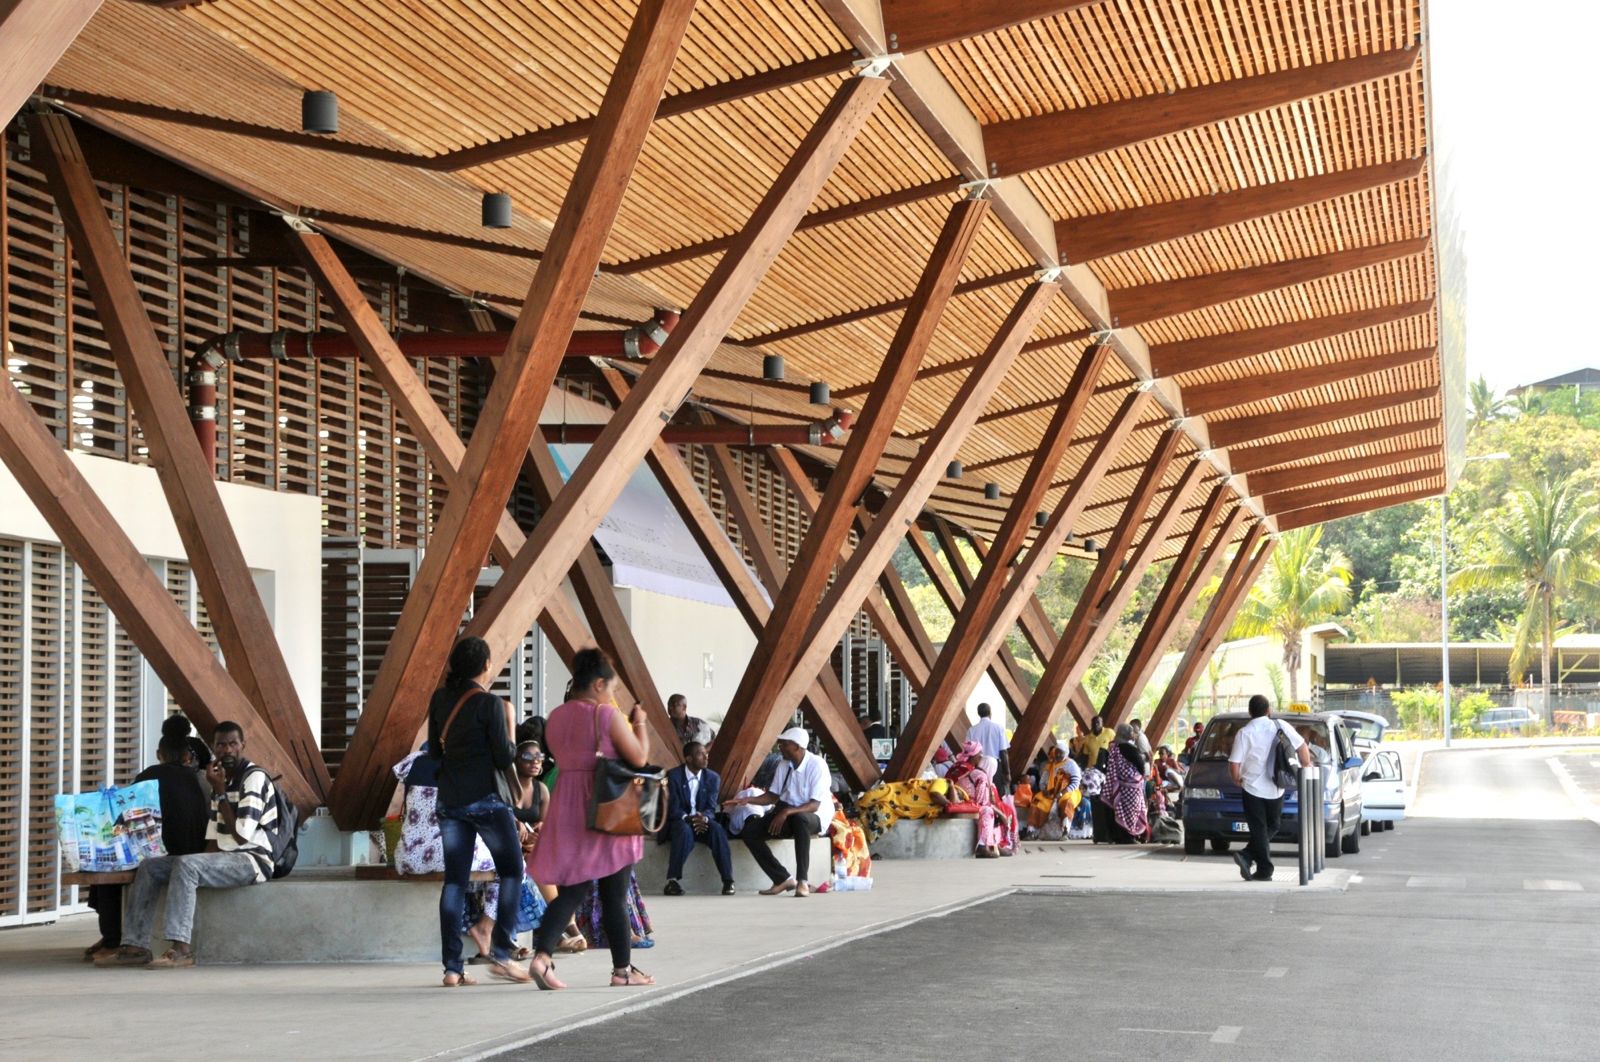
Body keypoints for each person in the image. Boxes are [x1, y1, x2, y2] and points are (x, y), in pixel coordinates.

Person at [97, 721, 280, 969]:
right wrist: (201, 863)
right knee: (151, 867)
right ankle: (135, 945)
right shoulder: (222, 778)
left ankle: (181, 948)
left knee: (187, 864)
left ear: (243, 746)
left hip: (252, 860)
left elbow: (241, 836)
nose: (227, 750)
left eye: (232, 744)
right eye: (221, 745)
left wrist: (221, 792)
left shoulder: (253, 778)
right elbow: (214, 837)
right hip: (225, 858)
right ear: (214, 748)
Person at [527, 648, 654, 989]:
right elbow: (640, 758)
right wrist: (639, 721)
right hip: (604, 804)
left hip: (566, 803)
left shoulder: (556, 716)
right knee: (615, 890)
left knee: (572, 888)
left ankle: (541, 956)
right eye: (611, 688)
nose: (612, 696)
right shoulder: (606, 715)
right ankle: (622, 972)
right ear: (599, 684)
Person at [426, 636, 529, 987]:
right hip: (485, 800)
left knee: (454, 881)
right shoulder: (489, 705)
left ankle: (452, 968)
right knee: (513, 871)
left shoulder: (440, 699)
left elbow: (435, 755)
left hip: (450, 801)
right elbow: (504, 756)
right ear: (486, 666)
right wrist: (510, 729)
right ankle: (502, 953)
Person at [84, 716, 209, 962]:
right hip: (194, 850)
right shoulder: (201, 780)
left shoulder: (148, 776)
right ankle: (113, 939)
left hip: (159, 853)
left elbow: (124, 818)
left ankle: (111, 939)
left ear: (158, 753)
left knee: (106, 865)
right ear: (187, 757)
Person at [724, 727, 834, 896]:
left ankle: (802, 881)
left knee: (800, 820)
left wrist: (786, 812)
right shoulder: (784, 765)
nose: (779, 747)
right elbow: (772, 796)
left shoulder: (817, 765)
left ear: (797, 747)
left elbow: (814, 805)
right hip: (789, 815)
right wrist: (746, 800)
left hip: (814, 817)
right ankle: (782, 878)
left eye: (784, 744)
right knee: (750, 832)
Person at [1228, 694, 1311, 883]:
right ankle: (1258, 864)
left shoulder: (1244, 733)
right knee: (1273, 825)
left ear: (1250, 712)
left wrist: (1236, 779)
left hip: (1251, 787)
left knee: (1259, 827)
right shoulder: (1280, 725)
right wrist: (1306, 768)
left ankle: (1251, 859)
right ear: (1268, 711)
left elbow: (1234, 763)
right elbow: (1301, 747)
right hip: (1277, 786)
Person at [662, 740, 734, 895]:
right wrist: (688, 818)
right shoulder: (673, 776)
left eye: (706, 754)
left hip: (703, 821)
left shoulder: (713, 777)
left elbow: (710, 807)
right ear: (688, 758)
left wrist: (705, 818)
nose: (706, 757)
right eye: (701, 754)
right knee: (684, 831)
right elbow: (672, 808)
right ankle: (672, 881)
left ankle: (728, 881)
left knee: (717, 830)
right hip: (681, 822)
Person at [945, 741, 1016, 857]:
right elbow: (982, 802)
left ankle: (994, 845)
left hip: (953, 800)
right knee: (989, 811)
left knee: (994, 810)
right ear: (975, 756)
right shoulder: (979, 775)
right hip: (963, 804)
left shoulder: (956, 767)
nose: (981, 756)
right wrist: (999, 813)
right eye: (980, 754)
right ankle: (984, 846)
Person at [1101, 723, 1149, 844]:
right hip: (1131, 786)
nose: (1133, 734)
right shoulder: (1128, 749)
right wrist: (1141, 775)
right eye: (1131, 732)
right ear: (1126, 734)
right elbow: (1140, 765)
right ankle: (1128, 836)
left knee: (1119, 809)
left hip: (1118, 785)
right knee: (1132, 811)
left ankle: (1118, 836)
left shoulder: (1113, 747)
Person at [965, 702, 1011, 792]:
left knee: (980, 795)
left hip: (977, 767)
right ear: (990, 712)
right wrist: (1007, 773)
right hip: (995, 768)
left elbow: (967, 752)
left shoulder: (972, 730)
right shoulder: (998, 728)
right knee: (996, 796)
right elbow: (1003, 752)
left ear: (978, 713)